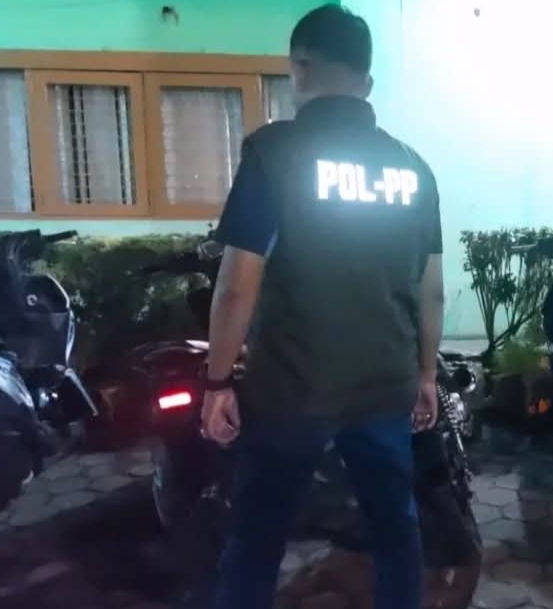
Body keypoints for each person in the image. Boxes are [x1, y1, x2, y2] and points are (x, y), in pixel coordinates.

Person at [199, 5, 444, 608]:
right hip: (384, 387)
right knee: (395, 532)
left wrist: (218, 381)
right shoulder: (413, 168)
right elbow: (432, 288)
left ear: (300, 69)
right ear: (368, 83)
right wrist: (426, 375)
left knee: (259, 538)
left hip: (291, 389)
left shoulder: (274, 153)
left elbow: (237, 285)